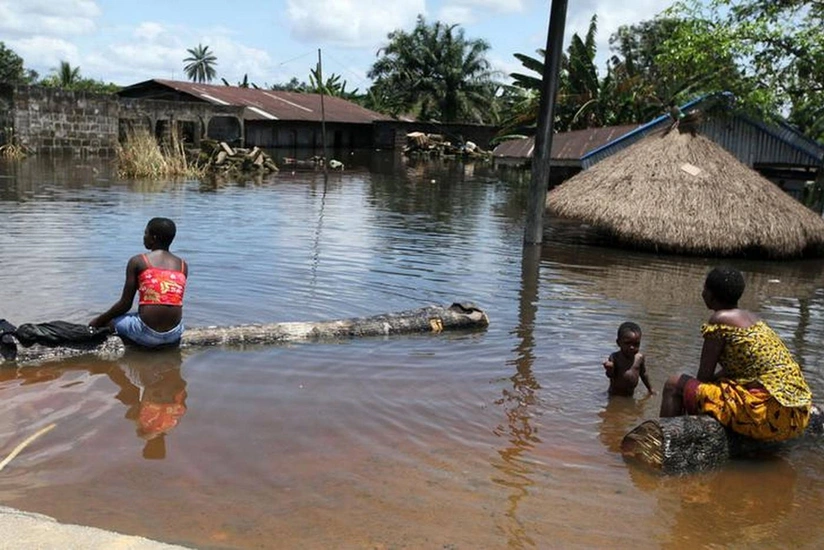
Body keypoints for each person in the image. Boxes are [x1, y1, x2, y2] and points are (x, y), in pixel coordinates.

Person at [659, 266, 812, 442]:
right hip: (796, 415)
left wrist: (693, 393)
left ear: (710, 294)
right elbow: (741, 369)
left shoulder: (720, 320)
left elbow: (704, 376)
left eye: (704, 289)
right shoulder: (753, 319)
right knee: (722, 383)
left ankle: (666, 443)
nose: (702, 293)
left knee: (673, 384)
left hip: (766, 415)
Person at [90, 217, 188, 348]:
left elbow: (125, 305)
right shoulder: (182, 265)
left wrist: (98, 321)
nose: (144, 237)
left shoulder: (138, 261)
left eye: (145, 233)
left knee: (108, 323)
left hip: (146, 332)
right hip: (174, 333)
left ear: (153, 238)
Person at [603, 321, 654, 397]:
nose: (632, 347)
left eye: (636, 344)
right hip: (614, 395)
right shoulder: (615, 357)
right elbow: (610, 376)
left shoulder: (639, 358)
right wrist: (609, 369)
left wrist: (650, 389)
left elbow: (643, 374)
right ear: (618, 343)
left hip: (630, 395)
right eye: (627, 343)